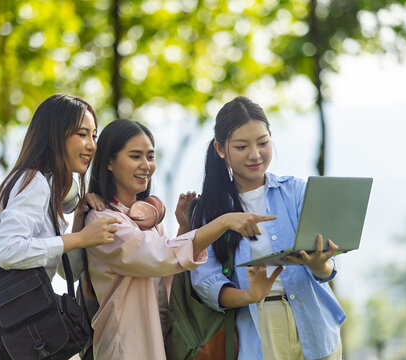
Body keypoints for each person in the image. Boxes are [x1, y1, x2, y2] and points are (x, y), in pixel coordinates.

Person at [0, 94, 120, 360]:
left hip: (8, 313)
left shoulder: (48, 184)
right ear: (55, 135)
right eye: (82, 134)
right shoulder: (33, 181)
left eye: (94, 135)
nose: (91, 145)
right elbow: (8, 251)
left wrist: (82, 208)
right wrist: (80, 238)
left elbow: (61, 256)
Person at [83, 118, 276, 359]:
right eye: (135, 156)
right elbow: (158, 255)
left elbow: (168, 278)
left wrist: (184, 228)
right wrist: (224, 222)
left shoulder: (148, 221)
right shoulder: (103, 221)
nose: (146, 165)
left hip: (159, 341)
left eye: (150, 157)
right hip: (126, 347)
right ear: (109, 162)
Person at [190, 96, 345, 360]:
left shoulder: (296, 191)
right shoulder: (211, 211)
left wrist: (319, 264)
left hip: (316, 323)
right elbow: (206, 282)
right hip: (259, 327)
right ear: (220, 149)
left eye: (263, 142)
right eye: (241, 146)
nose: (255, 154)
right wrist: (250, 294)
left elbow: (326, 270)